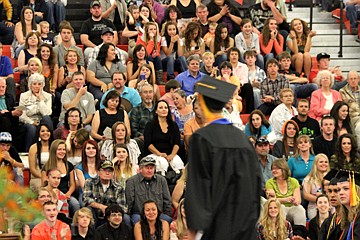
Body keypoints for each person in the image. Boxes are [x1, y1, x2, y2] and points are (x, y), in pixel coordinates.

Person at [185, 76, 261, 239]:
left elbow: (198, 186)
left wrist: (193, 229)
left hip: (218, 228)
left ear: (203, 103)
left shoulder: (202, 138)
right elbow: (256, 185)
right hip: (246, 229)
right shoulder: (242, 140)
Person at [126, 156, 172, 224]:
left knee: (168, 220)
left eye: (152, 168)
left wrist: (167, 214)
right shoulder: (131, 181)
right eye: (147, 168)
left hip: (157, 214)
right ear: (140, 169)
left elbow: (167, 200)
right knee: (137, 221)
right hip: (139, 214)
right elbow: (129, 202)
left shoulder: (161, 180)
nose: (149, 170)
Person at [83, 160, 128, 227]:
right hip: (95, 212)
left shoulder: (119, 187)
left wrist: (110, 211)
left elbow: (122, 206)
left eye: (110, 171)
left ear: (113, 173)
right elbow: (86, 199)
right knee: (88, 211)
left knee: (126, 218)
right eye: (104, 170)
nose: (107, 173)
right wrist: (101, 207)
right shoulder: (89, 182)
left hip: (111, 214)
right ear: (98, 172)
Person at [144, 100, 184, 174]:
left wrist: (172, 155)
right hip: (155, 154)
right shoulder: (150, 125)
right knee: (162, 163)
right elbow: (148, 144)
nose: (164, 109)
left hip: (170, 154)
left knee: (177, 163)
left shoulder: (173, 125)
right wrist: (159, 154)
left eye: (166, 108)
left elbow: (177, 143)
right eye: (161, 107)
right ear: (156, 111)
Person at [41, 139, 80, 216]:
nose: (62, 151)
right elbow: (44, 185)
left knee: (75, 204)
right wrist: (56, 195)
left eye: (64, 149)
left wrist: (67, 195)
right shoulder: (46, 166)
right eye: (59, 149)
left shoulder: (69, 165)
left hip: (67, 194)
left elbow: (72, 184)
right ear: (54, 150)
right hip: (51, 195)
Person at [266, 159, 307, 226]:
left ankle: (300, 234)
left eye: (276, 169)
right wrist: (286, 199)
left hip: (292, 207)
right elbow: (272, 200)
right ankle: (281, 233)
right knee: (281, 208)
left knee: (300, 209)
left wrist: (295, 201)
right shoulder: (270, 182)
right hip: (278, 207)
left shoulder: (294, 181)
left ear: (284, 169)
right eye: (272, 169)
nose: (274, 171)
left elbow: (298, 200)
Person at [19, 73, 53, 152]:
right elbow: (22, 115)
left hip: (43, 121)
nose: (37, 86)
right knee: (32, 128)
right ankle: (29, 152)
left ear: (43, 85)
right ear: (30, 85)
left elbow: (47, 113)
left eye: (39, 84)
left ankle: (50, 148)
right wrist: (31, 122)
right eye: (34, 84)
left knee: (47, 118)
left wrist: (41, 99)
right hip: (29, 122)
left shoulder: (47, 96)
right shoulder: (23, 96)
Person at [302, 153, 330, 219]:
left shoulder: (331, 178)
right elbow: (306, 195)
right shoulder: (308, 179)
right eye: (321, 162)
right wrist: (320, 200)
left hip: (330, 206)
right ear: (315, 164)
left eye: (326, 162)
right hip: (314, 207)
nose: (324, 164)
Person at [227, 47, 254, 114]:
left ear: (238, 56)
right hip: (229, 89)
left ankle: (250, 112)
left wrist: (237, 86)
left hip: (240, 88)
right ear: (228, 56)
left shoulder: (244, 66)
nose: (234, 56)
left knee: (248, 86)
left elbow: (244, 79)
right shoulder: (226, 67)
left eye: (236, 54)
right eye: (232, 54)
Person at [129, 83, 154, 153]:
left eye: (150, 92)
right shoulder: (135, 110)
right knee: (136, 141)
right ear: (140, 95)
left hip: (158, 139)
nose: (148, 95)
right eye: (145, 92)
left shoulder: (159, 108)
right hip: (142, 140)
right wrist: (143, 137)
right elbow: (134, 130)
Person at [28, 123, 53, 191]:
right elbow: (32, 169)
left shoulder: (54, 146)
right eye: (42, 131)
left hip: (52, 176)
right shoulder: (33, 148)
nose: (45, 133)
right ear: (38, 133)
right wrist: (44, 177)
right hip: (37, 177)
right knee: (44, 189)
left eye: (47, 131)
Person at [340, 71, 360, 148]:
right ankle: (358, 150)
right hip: (351, 117)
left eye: (355, 78)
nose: (353, 80)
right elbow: (344, 108)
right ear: (347, 80)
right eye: (351, 79)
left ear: (358, 79)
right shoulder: (343, 91)